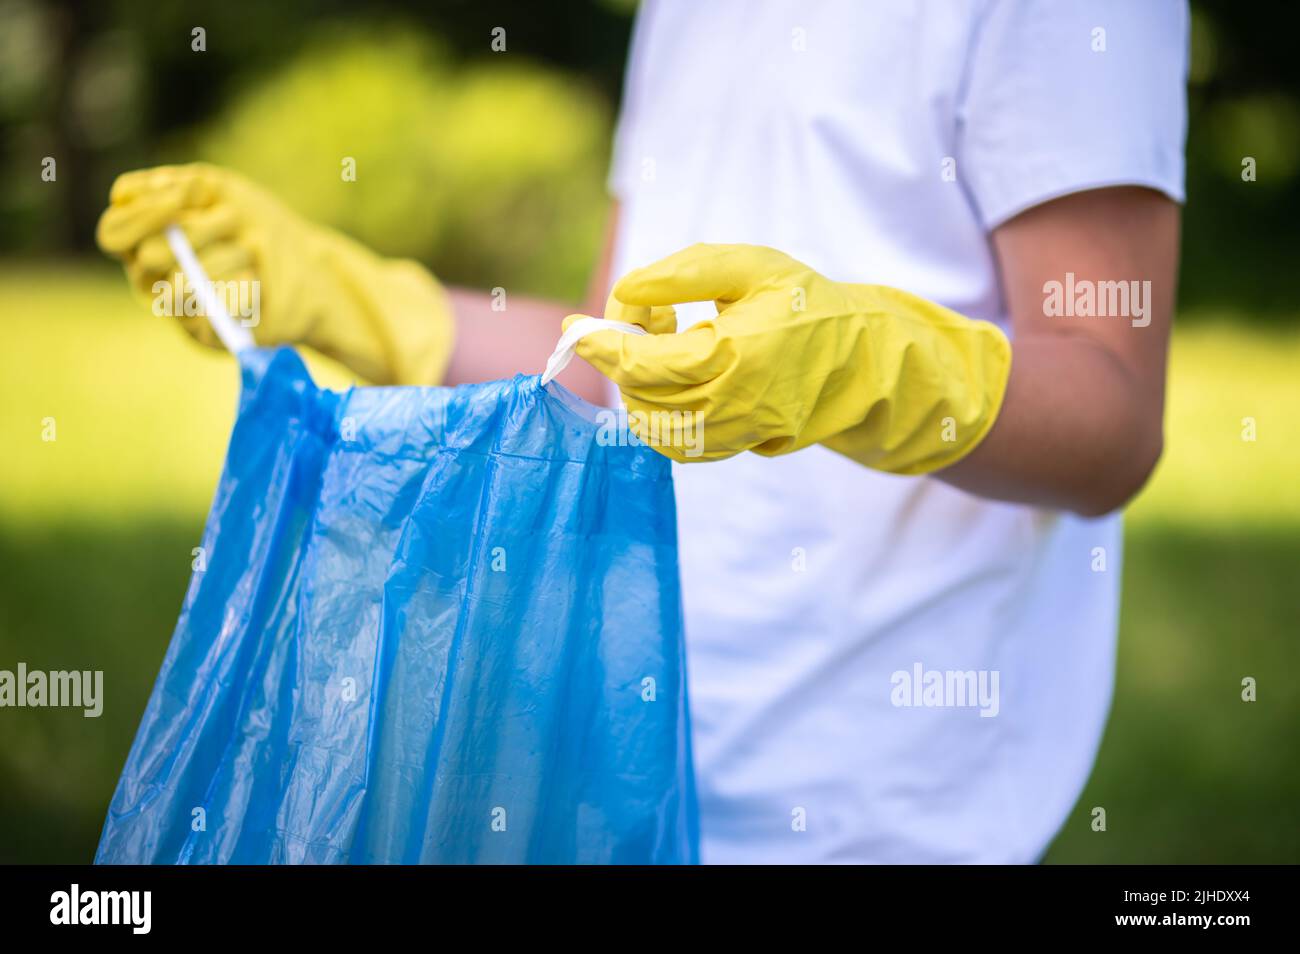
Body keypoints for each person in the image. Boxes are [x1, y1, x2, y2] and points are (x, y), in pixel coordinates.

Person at [96, 0, 1188, 863]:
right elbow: (608, 358)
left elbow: (1109, 410)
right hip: (613, 765)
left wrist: (867, 368)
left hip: (884, 807)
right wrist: (358, 300)